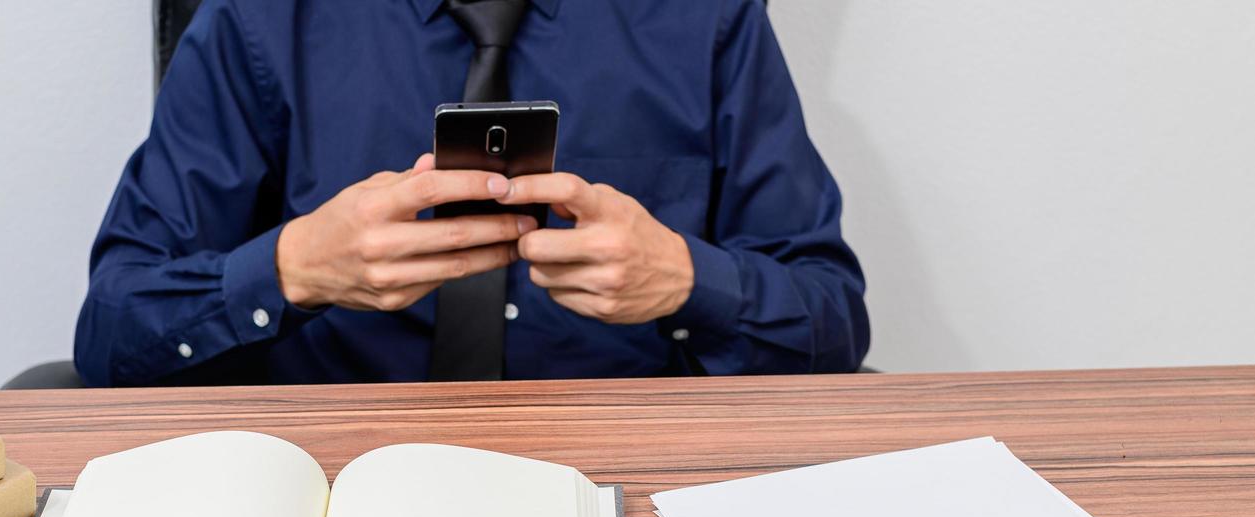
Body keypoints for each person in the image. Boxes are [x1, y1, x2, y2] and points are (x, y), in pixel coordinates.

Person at [74, 0, 868, 386]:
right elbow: (112, 335)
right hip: (331, 485)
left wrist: (689, 282)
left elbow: (833, 321)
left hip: (628, 485)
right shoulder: (259, 19)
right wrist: (290, 269)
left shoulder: (706, 20)